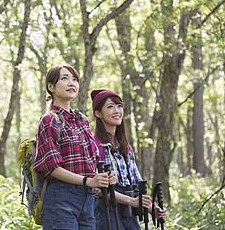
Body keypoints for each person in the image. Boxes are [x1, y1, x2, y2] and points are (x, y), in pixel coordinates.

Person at [34, 64, 115, 230]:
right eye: (64, 78)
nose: (71, 83)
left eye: (74, 79)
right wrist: (88, 181)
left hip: (87, 201)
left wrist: (103, 177)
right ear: (51, 87)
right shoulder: (49, 120)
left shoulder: (82, 120)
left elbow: (92, 160)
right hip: (61, 199)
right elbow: (51, 168)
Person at [90, 88, 167, 230]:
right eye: (110, 107)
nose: (117, 111)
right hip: (106, 212)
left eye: (119, 106)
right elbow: (97, 189)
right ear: (98, 113)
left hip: (129, 212)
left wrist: (151, 210)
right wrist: (131, 201)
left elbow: (137, 183)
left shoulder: (126, 148)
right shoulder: (94, 145)